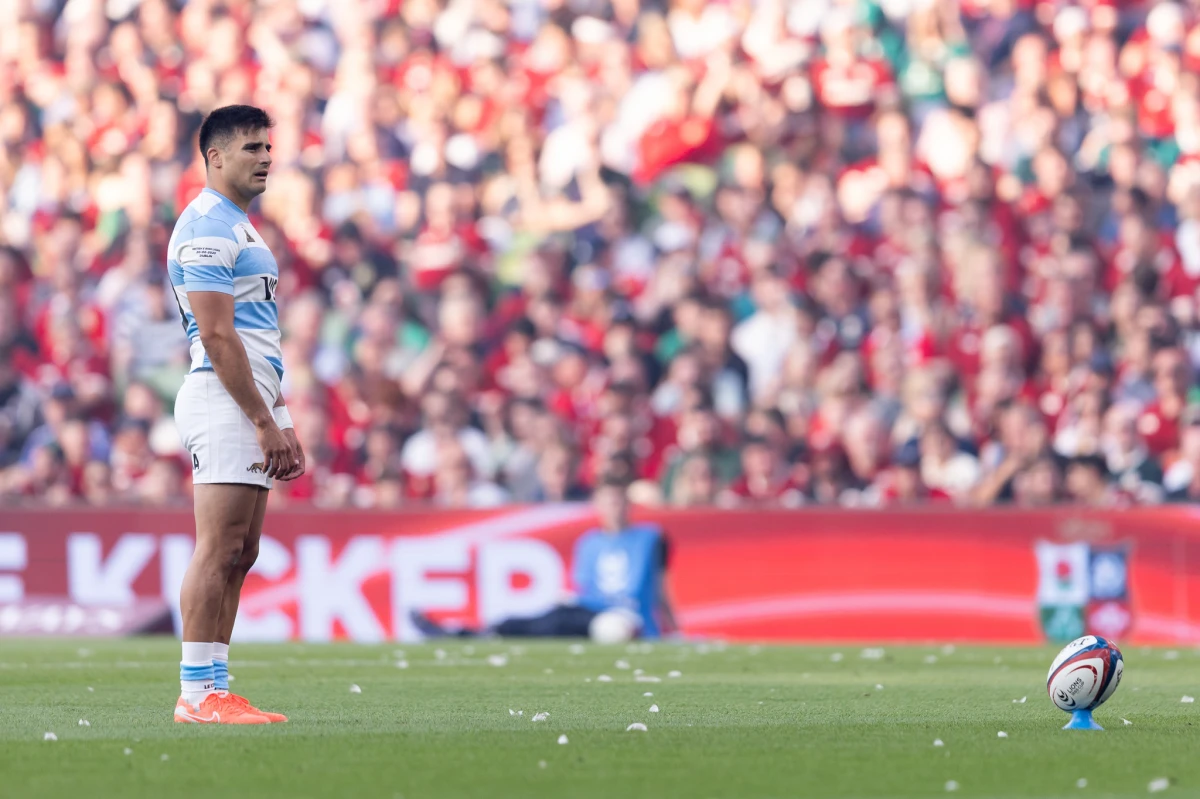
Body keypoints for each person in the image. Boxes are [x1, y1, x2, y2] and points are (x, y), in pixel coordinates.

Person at [170, 105, 305, 725]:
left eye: (268, 147)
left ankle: (217, 688)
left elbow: (260, 335)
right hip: (222, 398)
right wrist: (261, 419)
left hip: (248, 399)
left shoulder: (241, 227)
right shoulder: (204, 227)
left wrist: (283, 415)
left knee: (241, 550)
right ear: (215, 157)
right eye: (252, 148)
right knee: (218, 545)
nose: (266, 158)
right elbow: (220, 337)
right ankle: (197, 694)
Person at [412, 474, 676, 638]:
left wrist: (669, 625)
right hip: (591, 611)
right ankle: (469, 631)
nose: (614, 508)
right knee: (551, 617)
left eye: (618, 501)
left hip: (628, 616)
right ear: (598, 505)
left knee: (587, 626)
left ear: (628, 504)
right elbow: (585, 589)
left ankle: (471, 633)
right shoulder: (590, 542)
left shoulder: (649, 537)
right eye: (608, 501)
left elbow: (660, 585)